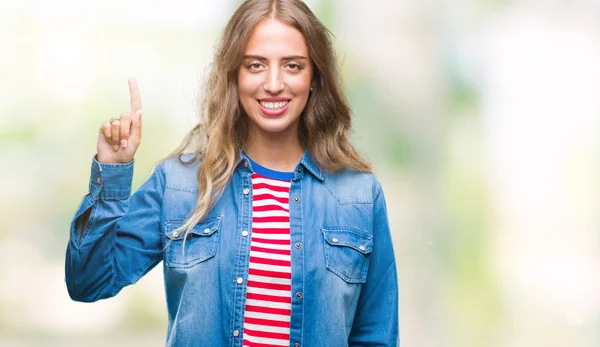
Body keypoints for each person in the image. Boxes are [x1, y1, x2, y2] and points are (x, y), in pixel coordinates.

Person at [65, 0, 399, 346]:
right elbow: (88, 282)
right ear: (234, 76)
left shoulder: (358, 195)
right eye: (255, 65)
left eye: (293, 66)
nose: (273, 84)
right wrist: (113, 171)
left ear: (314, 77)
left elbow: (376, 336)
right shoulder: (179, 186)